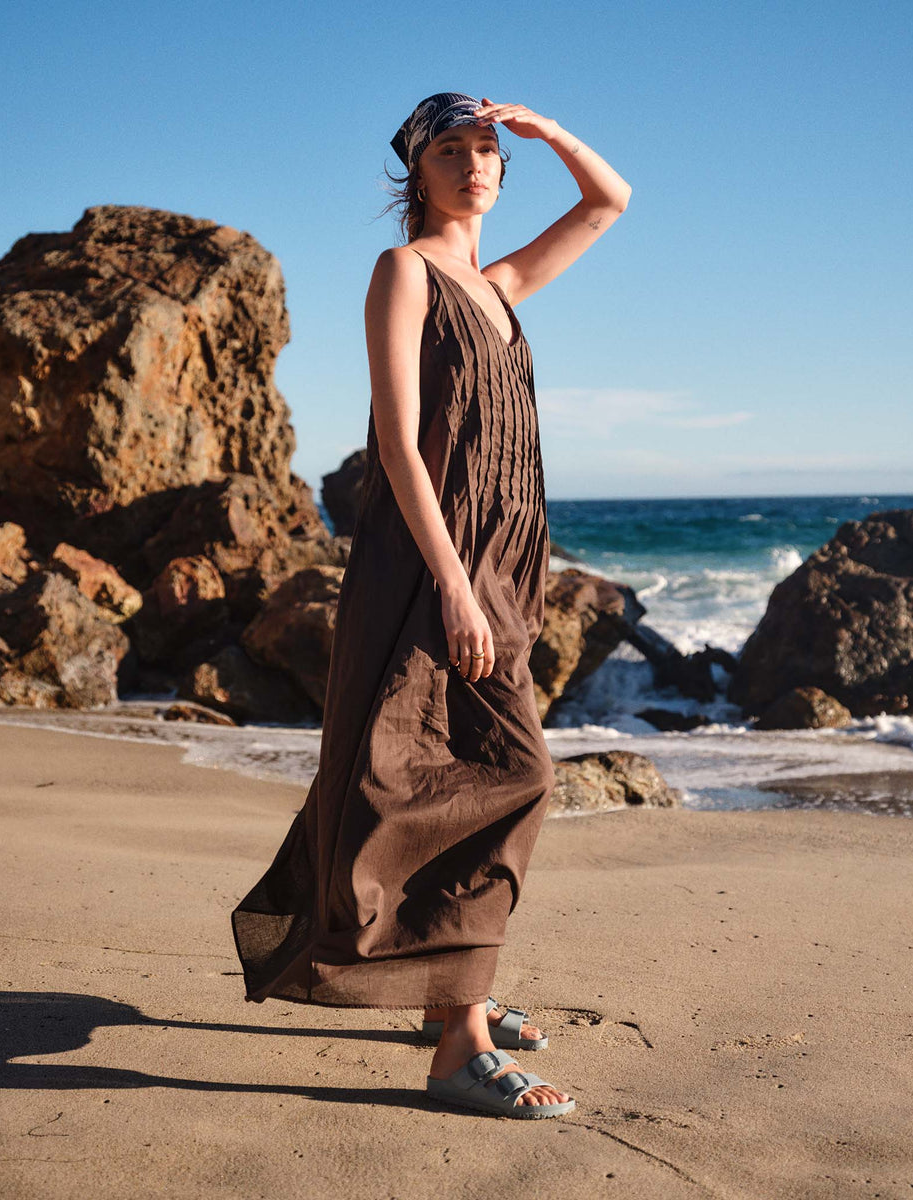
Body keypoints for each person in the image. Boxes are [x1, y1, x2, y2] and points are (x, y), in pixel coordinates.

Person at [232, 92, 630, 1120]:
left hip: (505, 563)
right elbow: (400, 445)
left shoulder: (499, 285)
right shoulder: (403, 273)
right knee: (504, 771)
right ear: (417, 170)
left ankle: (452, 990)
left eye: (488, 148)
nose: (477, 163)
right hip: (430, 563)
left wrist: (550, 132)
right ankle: (458, 1045)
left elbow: (610, 200)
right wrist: (454, 583)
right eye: (452, 149)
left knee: (442, 766)